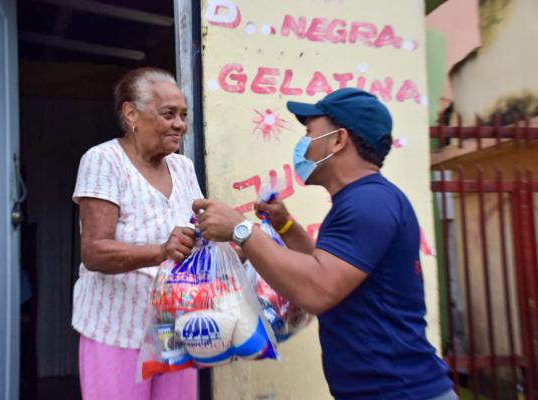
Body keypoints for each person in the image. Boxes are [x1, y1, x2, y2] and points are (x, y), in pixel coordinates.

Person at [192, 88, 456, 400]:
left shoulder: (368, 202)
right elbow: (329, 268)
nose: (303, 143)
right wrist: (285, 226)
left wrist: (241, 230)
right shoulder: (364, 199)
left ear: (338, 140)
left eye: (309, 132)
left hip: (399, 391)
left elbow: (318, 290)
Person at [71, 67, 201, 400]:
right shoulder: (103, 161)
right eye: (168, 114)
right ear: (131, 113)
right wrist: (161, 250)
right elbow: (95, 252)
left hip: (175, 327)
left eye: (183, 115)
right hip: (118, 329)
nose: (180, 125)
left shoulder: (183, 167)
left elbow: (197, 233)